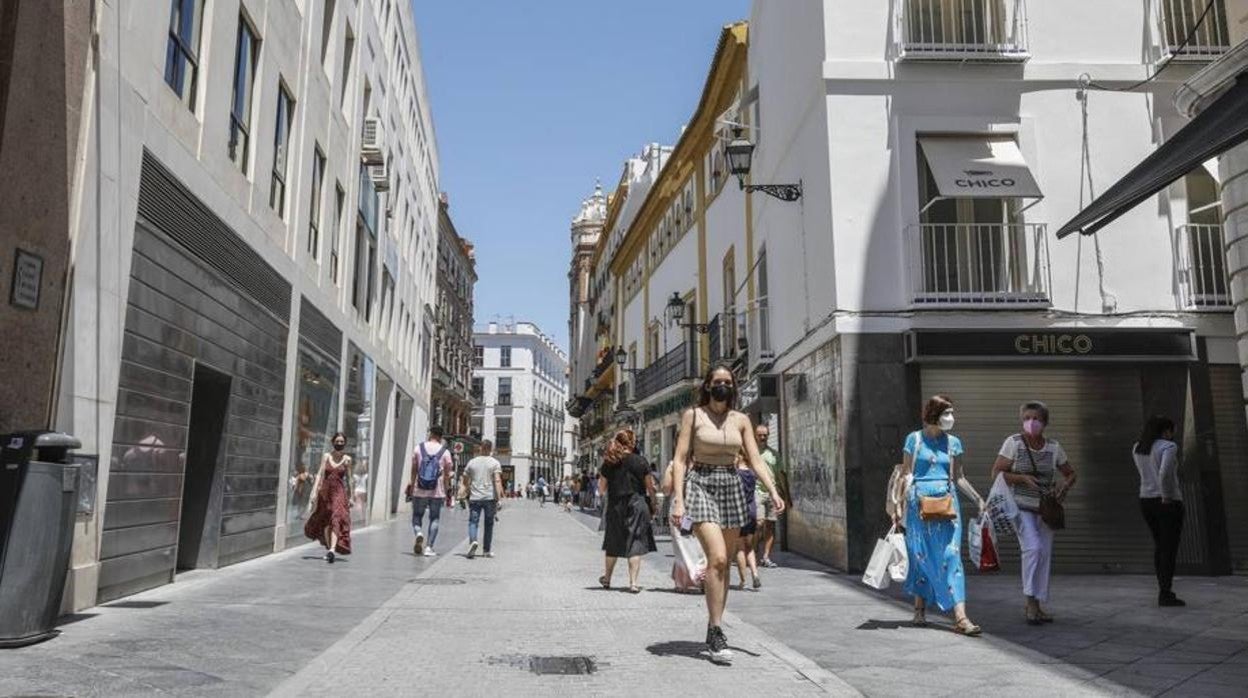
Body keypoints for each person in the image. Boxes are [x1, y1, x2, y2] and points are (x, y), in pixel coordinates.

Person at [668, 363, 785, 665]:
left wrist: (772, 491)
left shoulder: (742, 420)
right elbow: (680, 460)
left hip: (731, 485)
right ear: (707, 386)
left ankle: (713, 627)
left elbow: (756, 460)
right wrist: (679, 500)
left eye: (727, 381)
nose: (722, 385)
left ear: (733, 387)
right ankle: (718, 629)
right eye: (717, 381)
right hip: (701, 484)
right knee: (717, 557)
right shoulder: (693, 416)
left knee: (727, 563)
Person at [894, 396, 985, 635]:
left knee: (951, 557)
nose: (951, 418)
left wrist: (977, 499)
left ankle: (961, 617)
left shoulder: (954, 443)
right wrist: (897, 508)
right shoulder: (913, 440)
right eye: (947, 413)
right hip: (918, 506)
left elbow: (959, 477)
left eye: (952, 413)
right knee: (921, 555)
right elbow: (905, 475)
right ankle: (919, 609)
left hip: (948, 506)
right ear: (934, 414)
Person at [991, 400, 1078, 625]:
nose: (1031, 422)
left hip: (1046, 509)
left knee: (1044, 555)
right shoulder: (1014, 443)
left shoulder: (1053, 447)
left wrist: (1064, 487)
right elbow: (997, 473)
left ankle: (1038, 604)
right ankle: (1030, 601)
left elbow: (1070, 473)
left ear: (1045, 422)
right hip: (1021, 506)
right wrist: (1021, 478)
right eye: (1027, 418)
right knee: (1033, 548)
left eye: (1036, 418)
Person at [1133, 415, 1185, 607]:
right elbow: (1164, 473)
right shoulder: (1168, 447)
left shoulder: (1138, 448)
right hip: (1167, 502)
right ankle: (1165, 591)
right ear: (1166, 431)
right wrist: (1166, 495)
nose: (1173, 435)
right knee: (1169, 547)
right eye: (1172, 431)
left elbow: (1145, 473)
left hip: (1145, 500)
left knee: (1159, 545)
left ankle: (1163, 588)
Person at [597, 429, 657, 593]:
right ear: (632, 442)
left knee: (612, 542)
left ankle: (607, 579)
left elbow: (601, 489)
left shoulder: (609, 462)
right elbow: (649, 487)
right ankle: (633, 583)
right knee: (635, 541)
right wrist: (654, 503)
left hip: (615, 505)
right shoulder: (641, 461)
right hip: (637, 503)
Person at [304, 432, 353, 563]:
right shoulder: (326, 456)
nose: (340, 444)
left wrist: (351, 497)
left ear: (345, 443)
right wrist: (314, 492)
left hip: (339, 492)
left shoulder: (347, 459)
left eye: (342, 442)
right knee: (326, 521)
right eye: (337, 441)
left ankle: (332, 550)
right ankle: (329, 547)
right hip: (325, 493)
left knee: (336, 518)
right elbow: (320, 475)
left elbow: (349, 479)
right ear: (333, 442)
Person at [408, 426, 455, 557]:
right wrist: (446, 490)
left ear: (430, 434)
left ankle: (418, 533)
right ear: (441, 437)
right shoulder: (445, 452)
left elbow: (414, 468)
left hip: (420, 488)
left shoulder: (419, 448)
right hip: (437, 490)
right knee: (434, 518)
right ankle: (429, 547)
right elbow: (447, 474)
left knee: (417, 516)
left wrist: (412, 485)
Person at [461, 440, 504, 559]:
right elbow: (497, 481)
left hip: (475, 497)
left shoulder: (472, 462)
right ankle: (486, 550)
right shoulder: (494, 463)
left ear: (480, 448)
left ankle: (473, 542)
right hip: (489, 498)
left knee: (473, 522)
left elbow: (464, 481)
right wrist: (499, 499)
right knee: (489, 524)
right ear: (491, 449)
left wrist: (465, 492)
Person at [754, 423, 784, 568]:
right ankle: (753, 552)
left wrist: (782, 495)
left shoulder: (774, 455)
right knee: (758, 524)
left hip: (772, 493)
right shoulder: (750, 454)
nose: (762, 438)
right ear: (755, 436)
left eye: (765, 435)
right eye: (760, 435)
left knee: (771, 525)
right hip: (756, 492)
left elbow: (780, 475)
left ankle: (766, 557)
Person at [734, 451, 762, 590]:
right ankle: (755, 575)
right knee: (749, 546)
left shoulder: (736, 474)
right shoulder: (752, 473)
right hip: (752, 511)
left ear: (740, 456)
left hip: (739, 512)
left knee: (740, 547)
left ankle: (743, 580)